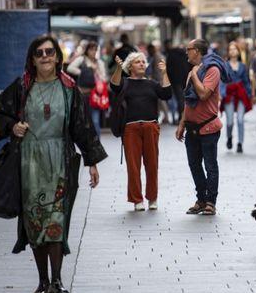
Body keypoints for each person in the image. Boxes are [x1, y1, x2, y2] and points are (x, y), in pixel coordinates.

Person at [0, 35, 107, 293]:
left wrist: (91, 162)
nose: (45, 56)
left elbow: (82, 126)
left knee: (55, 219)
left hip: (59, 161)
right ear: (32, 59)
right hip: (29, 162)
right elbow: (2, 111)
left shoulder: (69, 89)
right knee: (34, 223)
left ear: (58, 56)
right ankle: (42, 282)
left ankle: (56, 282)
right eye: (39, 53)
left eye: (49, 52)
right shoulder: (22, 87)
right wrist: (13, 126)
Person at [110, 52, 172, 211]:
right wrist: (118, 68)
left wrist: (164, 73)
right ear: (130, 66)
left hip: (151, 127)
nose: (142, 64)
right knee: (133, 166)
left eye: (144, 62)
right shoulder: (125, 82)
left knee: (152, 165)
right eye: (138, 62)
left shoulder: (151, 84)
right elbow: (114, 86)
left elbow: (166, 94)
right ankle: (137, 200)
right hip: (131, 129)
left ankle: (152, 198)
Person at [176, 39, 230, 216]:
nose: (186, 53)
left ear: (197, 51)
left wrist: (193, 76)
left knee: (210, 165)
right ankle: (201, 199)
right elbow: (188, 100)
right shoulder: (193, 70)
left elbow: (204, 94)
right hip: (191, 127)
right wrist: (181, 123)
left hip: (208, 128)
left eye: (188, 49)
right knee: (194, 165)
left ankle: (210, 202)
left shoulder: (212, 70)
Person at [66, 41, 108, 136]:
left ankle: (97, 145)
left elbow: (104, 78)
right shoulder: (82, 59)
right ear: (87, 50)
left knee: (95, 121)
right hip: (83, 94)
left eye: (95, 50)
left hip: (95, 95)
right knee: (82, 121)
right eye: (91, 49)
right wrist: (82, 72)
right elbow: (70, 68)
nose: (93, 52)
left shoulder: (99, 62)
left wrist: (96, 71)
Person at [220, 42, 252, 153]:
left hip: (241, 93)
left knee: (240, 119)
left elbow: (246, 81)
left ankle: (240, 143)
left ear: (238, 51)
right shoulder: (225, 65)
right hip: (229, 94)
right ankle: (229, 137)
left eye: (235, 49)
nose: (233, 51)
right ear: (228, 52)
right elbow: (222, 81)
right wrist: (222, 93)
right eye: (231, 49)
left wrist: (249, 94)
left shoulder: (243, 66)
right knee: (229, 121)